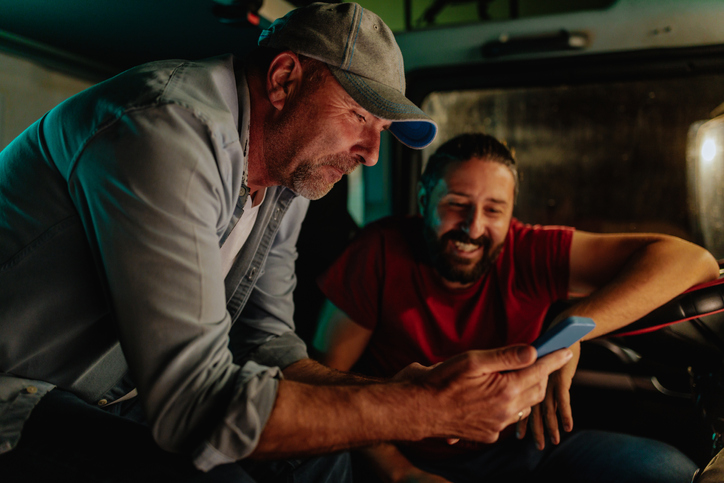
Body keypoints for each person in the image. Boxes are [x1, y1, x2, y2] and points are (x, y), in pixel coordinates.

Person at [0, 4, 574, 482]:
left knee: (322, 460)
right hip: (21, 392)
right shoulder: (166, 130)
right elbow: (195, 407)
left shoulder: (286, 180)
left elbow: (268, 342)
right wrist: (423, 409)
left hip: (123, 396)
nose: (372, 154)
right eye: (358, 117)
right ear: (283, 79)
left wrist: (396, 389)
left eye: (382, 133)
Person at [315, 132, 720, 483]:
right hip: (408, 454)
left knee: (670, 472)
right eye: (457, 204)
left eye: (493, 210)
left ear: (511, 215)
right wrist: (399, 472)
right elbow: (327, 385)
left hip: (525, 447)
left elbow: (691, 260)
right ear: (424, 198)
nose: (473, 228)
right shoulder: (378, 253)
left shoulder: (528, 250)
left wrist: (574, 326)